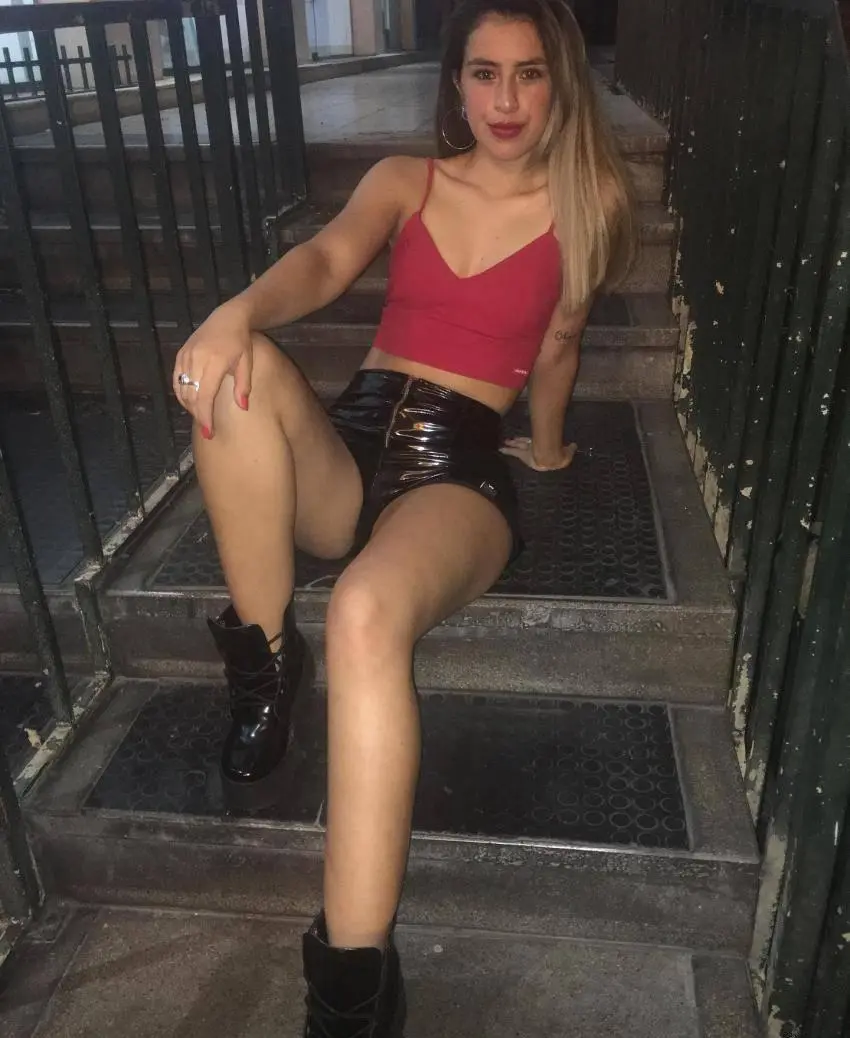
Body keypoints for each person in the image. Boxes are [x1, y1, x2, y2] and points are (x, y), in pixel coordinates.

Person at [172, 0, 634, 1031]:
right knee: (237, 372)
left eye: (528, 73)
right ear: (454, 82)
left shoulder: (587, 199)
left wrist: (548, 449)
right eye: (484, 72)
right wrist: (234, 313)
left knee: (365, 613)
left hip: (455, 470)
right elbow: (325, 263)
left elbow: (558, 345)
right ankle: (263, 667)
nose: (505, 99)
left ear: (559, 83)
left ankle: (351, 985)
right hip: (351, 445)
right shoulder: (403, 180)